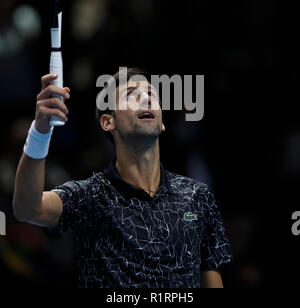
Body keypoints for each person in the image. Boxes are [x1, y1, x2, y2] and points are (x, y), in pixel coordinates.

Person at [13, 67, 232, 288]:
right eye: (131, 95)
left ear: (162, 122)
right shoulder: (90, 196)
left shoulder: (197, 196)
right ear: (108, 122)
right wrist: (40, 131)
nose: (145, 99)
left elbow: (211, 278)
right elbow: (27, 209)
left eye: (151, 95)